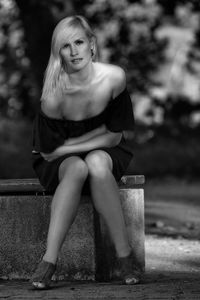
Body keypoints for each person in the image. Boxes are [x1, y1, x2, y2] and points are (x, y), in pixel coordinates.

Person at [31, 15, 137, 289]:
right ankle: (49, 260)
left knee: (97, 162)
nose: (74, 50)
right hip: (58, 160)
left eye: (79, 42)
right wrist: (69, 150)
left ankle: (125, 255)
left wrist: (72, 146)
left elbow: (114, 136)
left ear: (92, 44)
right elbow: (49, 152)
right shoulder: (53, 96)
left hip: (105, 150)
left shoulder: (114, 78)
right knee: (78, 167)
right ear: (59, 53)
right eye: (66, 46)